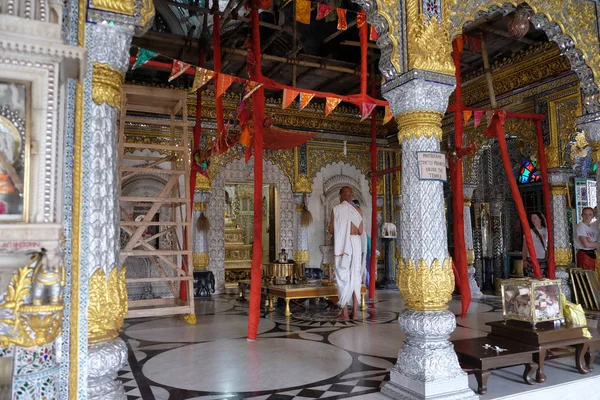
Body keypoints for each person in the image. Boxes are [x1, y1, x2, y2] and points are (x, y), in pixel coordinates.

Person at [329, 186, 363, 320]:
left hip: (344, 245)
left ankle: (344, 314)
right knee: (355, 276)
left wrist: (339, 229)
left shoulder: (336, 210)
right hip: (356, 243)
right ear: (352, 196)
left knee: (343, 276)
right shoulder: (358, 210)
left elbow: (331, 230)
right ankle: (354, 311)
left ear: (340, 196)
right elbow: (360, 231)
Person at [522, 212, 548, 277]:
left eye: (535, 218)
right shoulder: (529, 232)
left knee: (543, 277)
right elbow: (525, 246)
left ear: (540, 219)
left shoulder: (546, 230)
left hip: (543, 258)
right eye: (532, 218)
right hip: (532, 258)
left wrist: (544, 219)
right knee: (532, 277)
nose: (533, 220)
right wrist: (524, 259)